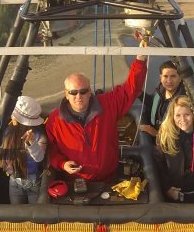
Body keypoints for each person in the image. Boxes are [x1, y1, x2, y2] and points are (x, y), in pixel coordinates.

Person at [46, 38, 149, 182]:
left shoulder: (107, 105)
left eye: (83, 91)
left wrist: (141, 57)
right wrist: (62, 164)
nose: (78, 96)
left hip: (109, 178)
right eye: (73, 92)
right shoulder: (55, 121)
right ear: (66, 94)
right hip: (76, 181)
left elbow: (131, 90)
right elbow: (49, 149)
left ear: (90, 92)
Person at [154, 96, 194, 203]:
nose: (182, 120)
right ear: (172, 116)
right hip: (174, 195)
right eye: (178, 115)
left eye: (187, 115)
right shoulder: (166, 137)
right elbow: (159, 165)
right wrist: (167, 188)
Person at [0, 96, 48, 204]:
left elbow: (39, 157)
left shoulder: (39, 136)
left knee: (35, 217)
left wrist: (32, 143)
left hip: (34, 184)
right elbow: (1, 149)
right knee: (17, 218)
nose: (11, 116)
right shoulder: (9, 130)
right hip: (14, 182)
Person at [138, 60, 185, 143]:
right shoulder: (159, 91)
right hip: (153, 139)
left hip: (171, 145)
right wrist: (139, 93)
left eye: (173, 76)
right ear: (161, 77)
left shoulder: (184, 101)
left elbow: (183, 133)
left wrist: (156, 134)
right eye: (165, 76)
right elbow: (152, 105)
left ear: (180, 78)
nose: (169, 81)